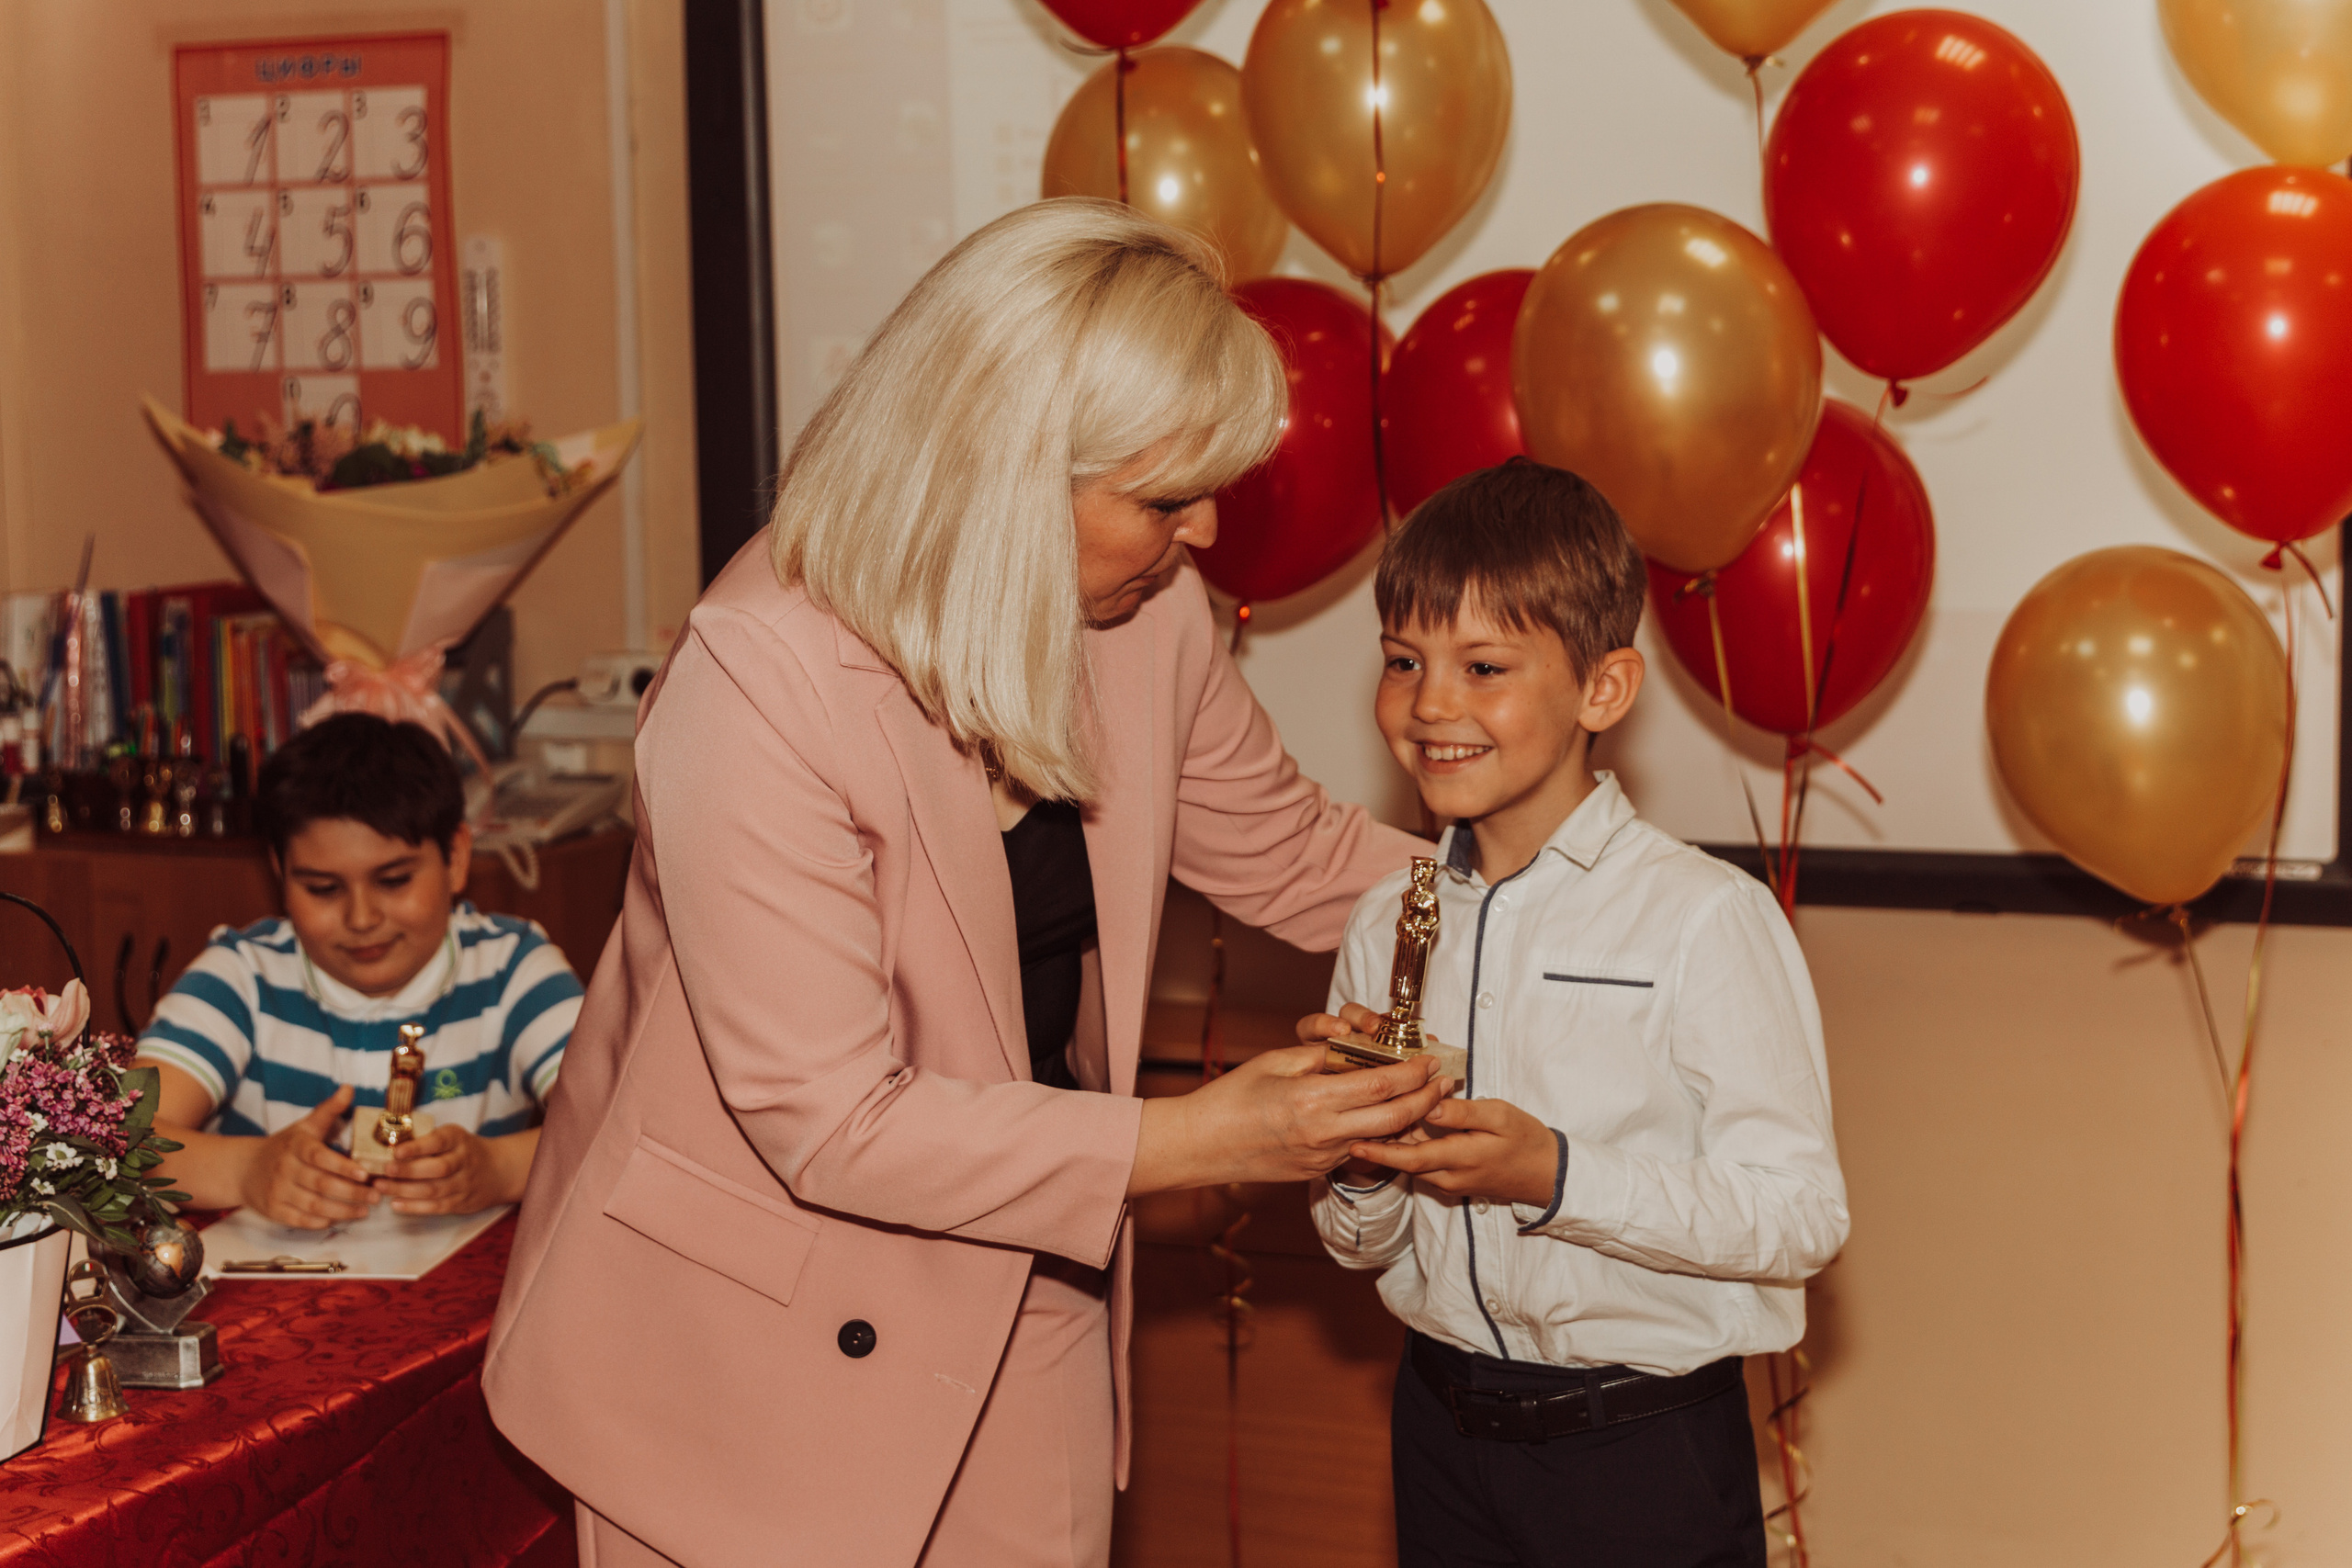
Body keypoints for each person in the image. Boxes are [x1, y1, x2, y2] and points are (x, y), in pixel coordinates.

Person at [484, 198, 1449, 1568]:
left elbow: (1296, 854)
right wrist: (1204, 1138)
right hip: (741, 1345)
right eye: (1166, 497)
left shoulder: (1146, 617)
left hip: (1029, 1283)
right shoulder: (760, 672)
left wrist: (1594, 899)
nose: (1211, 529)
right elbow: (830, 1119)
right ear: (1009, 470)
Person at [1305, 460, 1849, 1568]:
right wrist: (1357, 1161)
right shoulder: (1388, 923)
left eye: (1484, 666)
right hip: (1439, 1433)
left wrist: (1555, 1175)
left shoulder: (1703, 917)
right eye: (1403, 661)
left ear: (1602, 691)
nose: (1430, 704)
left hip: (1638, 1453)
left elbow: (1800, 1215)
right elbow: (1357, 1242)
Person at [135, 712, 583, 1227]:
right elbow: (125, 1139)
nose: (362, 919)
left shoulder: (514, 968)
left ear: (456, 857)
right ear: (280, 872)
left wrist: (497, 1170)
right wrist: (248, 1171)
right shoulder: (240, 977)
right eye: (323, 889)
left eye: (394, 881)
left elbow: (614, 1123)